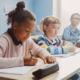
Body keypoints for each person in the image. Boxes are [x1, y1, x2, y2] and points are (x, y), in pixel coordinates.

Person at [0, 1, 56, 69]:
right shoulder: (3, 40)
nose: (29, 35)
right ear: (15, 25)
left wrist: (47, 56)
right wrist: (22, 61)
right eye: (26, 31)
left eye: (31, 32)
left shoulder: (27, 40)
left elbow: (39, 50)